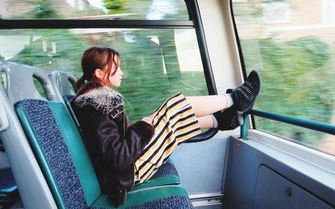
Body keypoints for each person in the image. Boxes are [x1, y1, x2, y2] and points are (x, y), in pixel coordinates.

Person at [71, 46, 261, 205]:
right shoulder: (95, 108)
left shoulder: (97, 102)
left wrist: (143, 125)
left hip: (125, 169)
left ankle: (222, 121)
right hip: (127, 174)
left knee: (167, 117)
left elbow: (115, 143)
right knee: (173, 107)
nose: (122, 73)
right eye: (116, 68)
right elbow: (118, 158)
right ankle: (237, 99)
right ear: (99, 73)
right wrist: (142, 129)